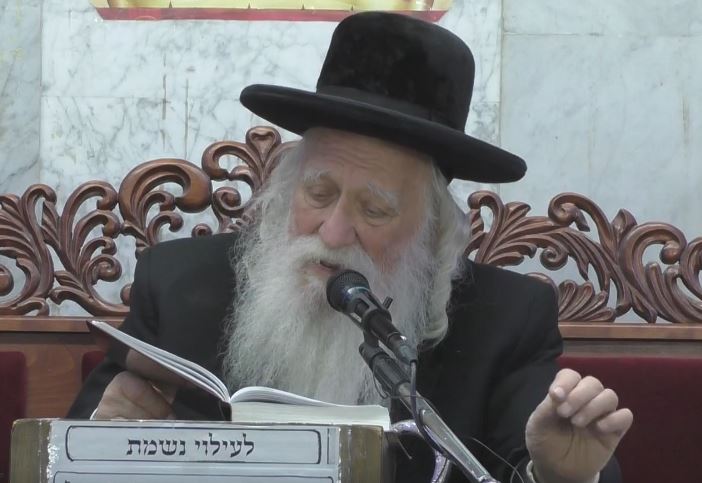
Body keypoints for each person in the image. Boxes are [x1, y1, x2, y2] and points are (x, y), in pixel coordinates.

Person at [68, 12, 632, 483]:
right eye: (319, 193)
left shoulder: (505, 319)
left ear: (432, 232)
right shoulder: (176, 285)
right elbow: (71, 450)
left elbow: (547, 455)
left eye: (375, 210)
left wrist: (558, 475)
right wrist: (101, 438)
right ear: (287, 190)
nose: (334, 233)